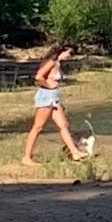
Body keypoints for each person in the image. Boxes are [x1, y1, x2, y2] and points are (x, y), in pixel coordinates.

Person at [23, 40, 84, 170]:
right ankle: (26, 157)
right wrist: (48, 86)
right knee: (38, 127)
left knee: (63, 125)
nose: (69, 56)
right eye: (68, 53)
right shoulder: (51, 62)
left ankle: (75, 152)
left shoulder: (57, 64)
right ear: (61, 52)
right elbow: (39, 76)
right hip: (46, 97)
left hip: (54, 97)